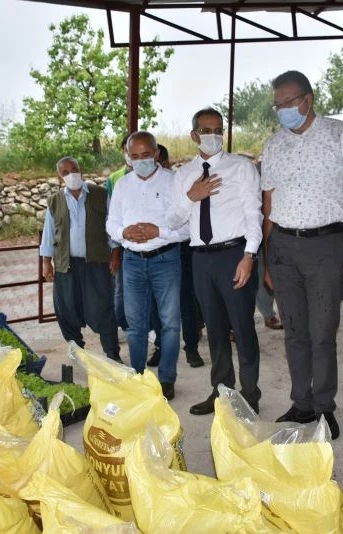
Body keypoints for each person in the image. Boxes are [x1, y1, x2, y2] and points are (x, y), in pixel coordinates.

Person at [261, 71, 343, 439]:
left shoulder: (341, 135)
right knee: (294, 331)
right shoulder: (273, 145)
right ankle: (302, 402)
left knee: (322, 332)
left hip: (325, 246)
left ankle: (324, 405)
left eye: (289, 102)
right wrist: (268, 259)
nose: (283, 109)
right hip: (283, 247)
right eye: (278, 104)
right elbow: (268, 206)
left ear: (307, 99)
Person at [169, 107, 263, 415]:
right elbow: (173, 220)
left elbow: (254, 214)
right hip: (201, 259)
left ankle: (250, 394)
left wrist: (249, 255)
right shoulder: (183, 175)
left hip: (235, 255)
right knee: (214, 328)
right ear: (194, 135)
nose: (213, 136)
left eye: (218, 130)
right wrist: (191, 196)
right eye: (206, 131)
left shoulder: (241, 167)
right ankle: (221, 391)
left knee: (242, 326)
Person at [106, 131, 188, 400]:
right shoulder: (122, 185)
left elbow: (187, 228)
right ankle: (138, 376)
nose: (140, 161)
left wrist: (158, 232)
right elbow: (111, 223)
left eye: (145, 155)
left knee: (170, 323)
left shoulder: (174, 182)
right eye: (134, 156)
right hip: (132, 262)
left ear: (156, 154)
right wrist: (124, 233)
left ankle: (167, 379)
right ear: (127, 156)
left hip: (166, 259)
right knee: (135, 325)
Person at [40, 157, 120, 361]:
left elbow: (112, 226)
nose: (71, 174)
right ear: (60, 177)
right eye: (65, 172)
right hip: (66, 265)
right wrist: (46, 262)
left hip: (96, 262)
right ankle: (77, 351)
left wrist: (116, 254)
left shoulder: (100, 194)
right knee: (66, 309)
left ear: (81, 169)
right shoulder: (55, 201)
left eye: (74, 169)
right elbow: (49, 233)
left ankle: (112, 353)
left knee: (102, 307)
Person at [148, 143, 206, 370]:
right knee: (156, 303)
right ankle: (161, 347)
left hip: (181, 248)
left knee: (186, 300)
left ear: (162, 160)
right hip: (156, 250)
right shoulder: (140, 185)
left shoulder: (177, 181)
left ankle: (191, 347)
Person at [108, 133, 132, 333]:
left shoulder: (159, 177)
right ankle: (122, 324)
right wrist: (115, 250)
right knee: (121, 288)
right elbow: (111, 216)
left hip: (150, 244)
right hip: (123, 244)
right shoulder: (114, 179)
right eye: (127, 150)